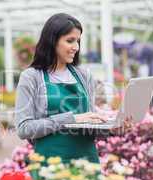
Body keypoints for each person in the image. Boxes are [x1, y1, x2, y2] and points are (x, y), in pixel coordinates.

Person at [15, 13, 107, 164]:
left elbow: (89, 124)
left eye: (77, 41)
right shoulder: (31, 77)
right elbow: (24, 128)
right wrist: (71, 119)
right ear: (52, 41)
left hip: (87, 162)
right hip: (51, 164)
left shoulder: (84, 76)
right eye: (70, 41)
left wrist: (112, 126)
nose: (76, 47)